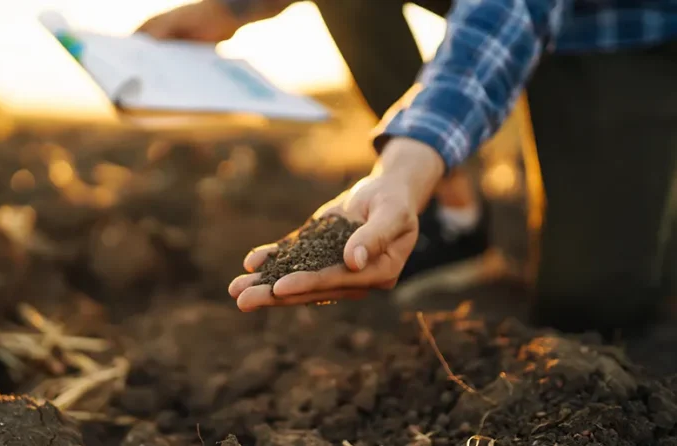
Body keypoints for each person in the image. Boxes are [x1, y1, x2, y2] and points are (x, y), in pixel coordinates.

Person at [139, 0, 677, 334]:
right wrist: (234, 7)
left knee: (591, 308)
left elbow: (507, 9)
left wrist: (404, 165)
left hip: (618, 28)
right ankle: (455, 216)